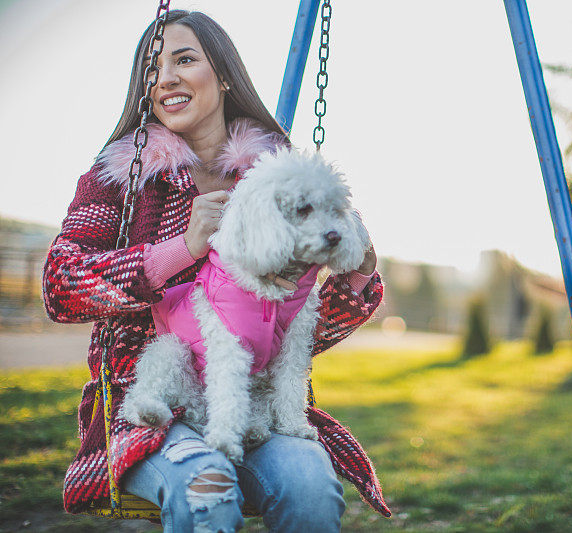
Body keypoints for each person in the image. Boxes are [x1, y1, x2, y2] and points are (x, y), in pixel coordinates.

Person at [42, 10, 390, 532]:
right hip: (152, 402)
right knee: (206, 485)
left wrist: (358, 276)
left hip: (254, 404)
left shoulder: (280, 180)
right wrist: (180, 249)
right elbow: (60, 288)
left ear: (224, 74)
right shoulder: (118, 178)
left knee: (312, 486)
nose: (166, 79)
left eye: (185, 59)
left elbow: (294, 332)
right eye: (152, 68)